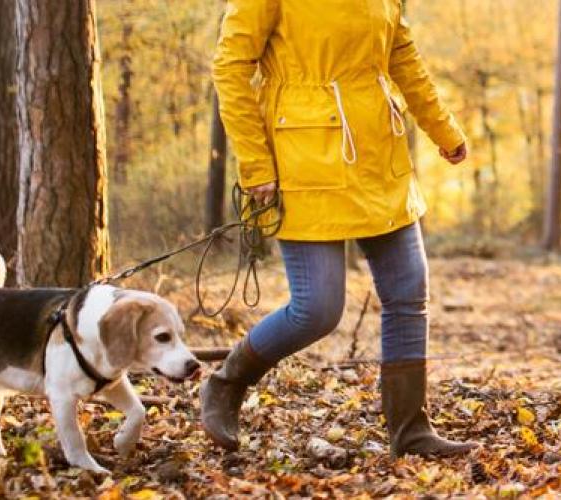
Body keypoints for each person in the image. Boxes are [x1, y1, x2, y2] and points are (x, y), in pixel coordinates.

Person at [202, 0, 475, 458]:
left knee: (409, 290)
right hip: (303, 157)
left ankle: (409, 430)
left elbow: (402, 55)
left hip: (379, 156)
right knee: (317, 309)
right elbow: (230, 67)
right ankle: (227, 383)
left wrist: (443, 129)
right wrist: (255, 162)